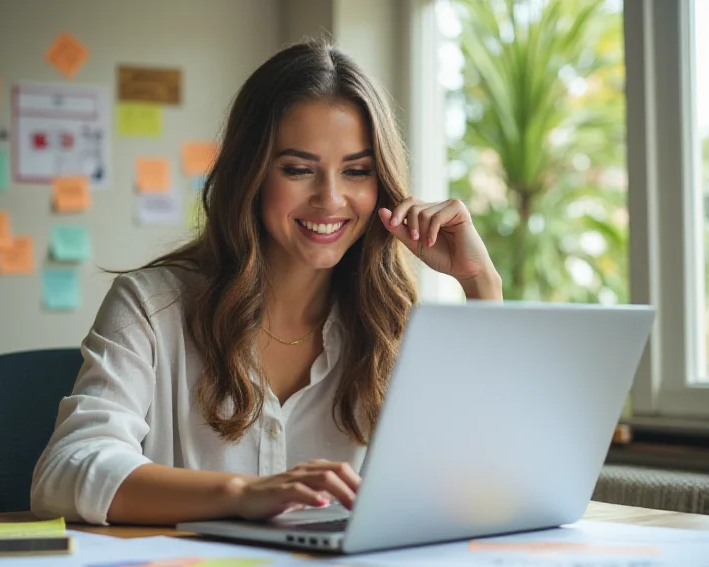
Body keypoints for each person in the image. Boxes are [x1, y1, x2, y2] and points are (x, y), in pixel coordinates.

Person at [30, 39, 503, 526]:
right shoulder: (152, 307)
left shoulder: (392, 323)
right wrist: (243, 493)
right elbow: (65, 473)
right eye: (298, 169)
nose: (331, 198)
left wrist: (480, 284)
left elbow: (477, 478)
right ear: (250, 174)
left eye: (357, 171)